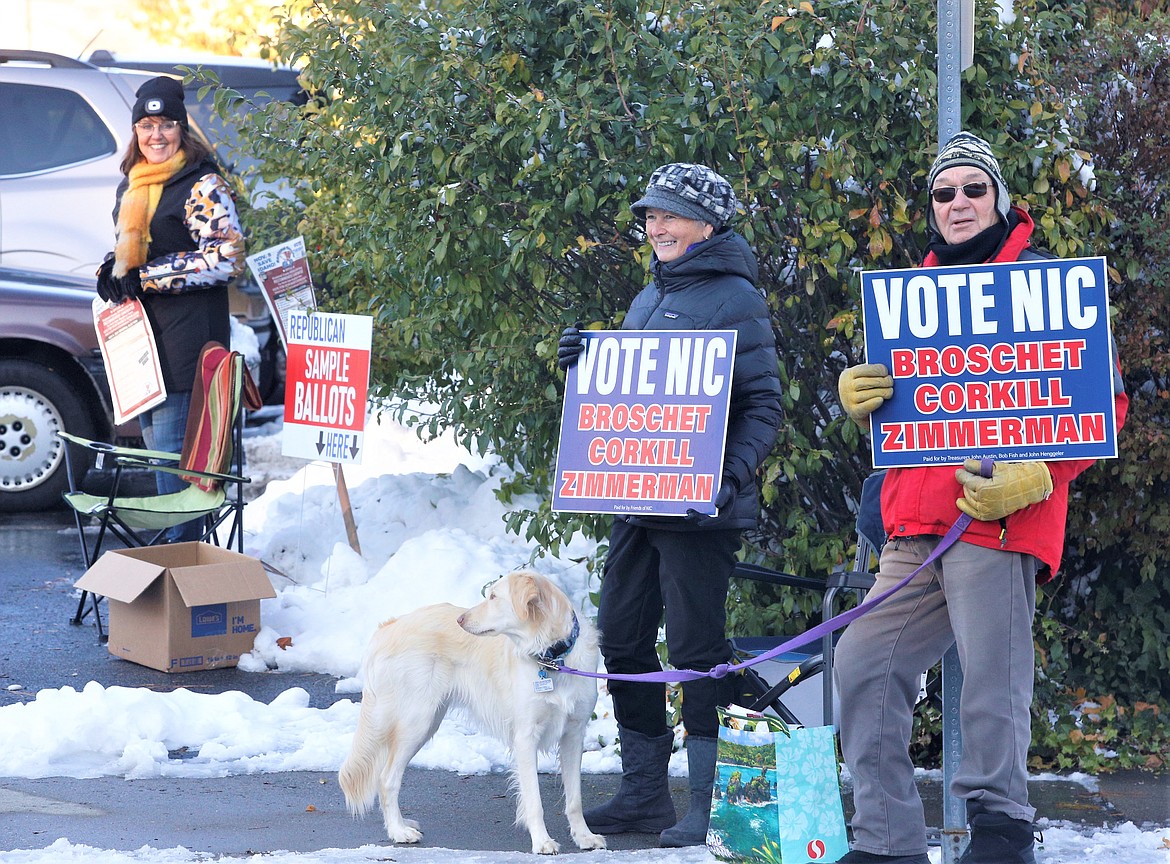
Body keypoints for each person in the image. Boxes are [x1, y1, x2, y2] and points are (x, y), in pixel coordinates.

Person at [833, 132, 1129, 864]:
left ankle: (1001, 829)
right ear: (930, 207)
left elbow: (1105, 402)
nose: (958, 203)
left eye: (973, 189)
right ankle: (886, 842)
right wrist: (865, 402)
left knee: (991, 682)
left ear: (997, 197)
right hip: (912, 527)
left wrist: (1040, 476)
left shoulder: (1042, 281)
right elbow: (910, 413)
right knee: (864, 663)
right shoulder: (909, 300)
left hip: (997, 519)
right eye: (944, 193)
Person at [557, 163, 783, 847]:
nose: (655, 225)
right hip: (637, 503)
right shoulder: (650, 294)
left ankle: (711, 803)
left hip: (699, 513)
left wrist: (730, 480)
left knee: (695, 649)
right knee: (622, 638)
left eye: (670, 214)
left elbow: (764, 407)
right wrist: (580, 364)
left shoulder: (735, 298)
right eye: (650, 215)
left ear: (707, 225)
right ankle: (644, 795)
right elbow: (627, 401)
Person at [96, 76, 246, 542]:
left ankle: (184, 581)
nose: (155, 135)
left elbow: (227, 257)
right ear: (135, 131)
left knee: (178, 476)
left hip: (186, 350)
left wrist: (148, 276)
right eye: (146, 124)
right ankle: (175, 578)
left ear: (182, 128)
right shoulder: (134, 185)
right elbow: (132, 255)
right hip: (141, 350)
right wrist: (112, 270)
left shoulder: (201, 183)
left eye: (165, 125)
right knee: (161, 465)